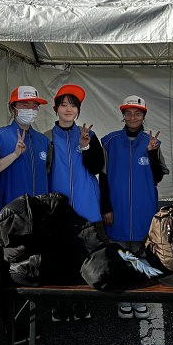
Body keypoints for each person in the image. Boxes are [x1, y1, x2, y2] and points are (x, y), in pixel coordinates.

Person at [100, 95, 169, 319]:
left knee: (142, 253)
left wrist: (152, 152)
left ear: (143, 116)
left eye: (137, 113)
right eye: (128, 113)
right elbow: (102, 177)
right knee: (120, 253)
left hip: (144, 207)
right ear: (123, 115)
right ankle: (123, 298)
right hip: (117, 208)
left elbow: (157, 176)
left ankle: (139, 297)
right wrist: (106, 207)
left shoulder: (152, 142)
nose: (132, 117)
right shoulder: (109, 141)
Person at [46, 84, 104, 322]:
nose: (68, 109)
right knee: (60, 255)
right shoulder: (46, 138)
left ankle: (82, 302)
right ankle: (61, 304)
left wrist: (85, 146)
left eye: (73, 105)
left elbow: (97, 167)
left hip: (86, 205)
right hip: (57, 207)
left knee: (84, 255)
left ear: (78, 110)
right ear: (56, 108)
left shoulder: (89, 135)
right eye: (63, 104)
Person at [0, 85, 51, 227]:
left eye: (35, 106)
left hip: (39, 217)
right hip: (8, 218)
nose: (30, 110)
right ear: (13, 108)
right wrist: (14, 155)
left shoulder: (43, 141)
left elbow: (48, 172)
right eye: (25, 105)